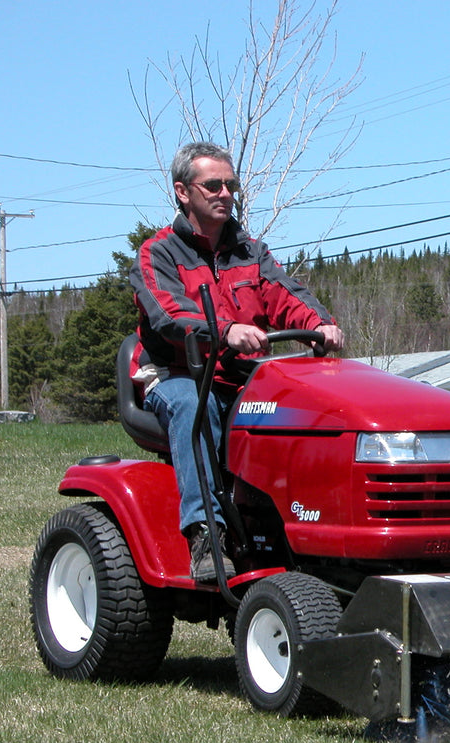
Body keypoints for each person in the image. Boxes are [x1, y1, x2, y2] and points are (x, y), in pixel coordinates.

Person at [130, 141, 343, 582]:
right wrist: (224, 332)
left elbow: (288, 295)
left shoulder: (251, 253)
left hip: (242, 377)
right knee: (196, 404)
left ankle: (314, 530)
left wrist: (320, 324)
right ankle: (206, 534)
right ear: (183, 192)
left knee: (310, 409)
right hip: (175, 373)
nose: (225, 193)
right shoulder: (159, 254)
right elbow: (169, 315)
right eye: (213, 185)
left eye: (231, 185)